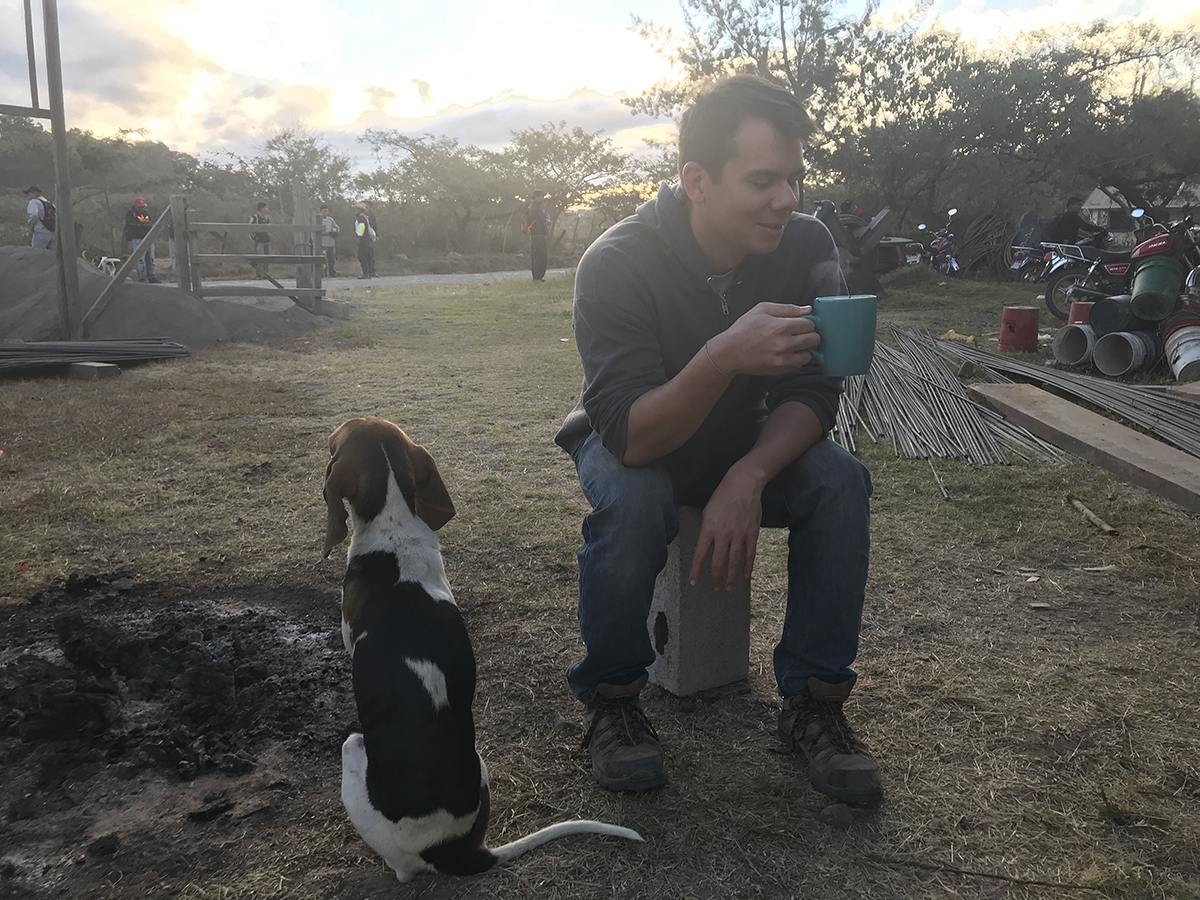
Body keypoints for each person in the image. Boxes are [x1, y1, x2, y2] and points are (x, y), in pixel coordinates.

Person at [554, 75, 880, 805]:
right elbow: (633, 433)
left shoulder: (806, 246)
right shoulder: (617, 262)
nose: (786, 199)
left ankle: (815, 706)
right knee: (633, 500)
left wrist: (750, 475)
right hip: (635, 434)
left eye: (794, 178)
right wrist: (724, 353)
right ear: (696, 181)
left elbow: (814, 391)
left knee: (840, 482)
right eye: (763, 180)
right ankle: (613, 699)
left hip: (743, 434)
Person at [124, 197, 158, 283]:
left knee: (150, 258)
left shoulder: (145, 213)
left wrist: (148, 225)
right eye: (140, 207)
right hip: (137, 238)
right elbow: (131, 224)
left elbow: (151, 222)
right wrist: (141, 224)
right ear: (135, 206)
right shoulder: (131, 214)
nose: (142, 208)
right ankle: (141, 277)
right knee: (140, 259)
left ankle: (151, 276)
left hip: (148, 238)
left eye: (143, 206)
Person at [524, 193, 549, 281]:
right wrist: (548, 222)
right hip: (540, 235)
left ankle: (535, 276)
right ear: (537, 197)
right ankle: (539, 276)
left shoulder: (530, 208)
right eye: (541, 196)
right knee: (541, 256)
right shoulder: (538, 209)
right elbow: (544, 219)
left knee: (534, 256)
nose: (542, 198)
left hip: (533, 235)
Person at [25, 186, 57, 251]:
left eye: (29, 194)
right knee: (52, 257)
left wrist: (31, 228)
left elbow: (33, 215)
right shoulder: (49, 203)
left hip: (40, 232)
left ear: (35, 193)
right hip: (53, 232)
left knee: (36, 255)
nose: (28, 196)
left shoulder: (34, 202)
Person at [249, 201, 271, 279]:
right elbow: (248, 228)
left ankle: (266, 276)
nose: (267, 209)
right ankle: (258, 275)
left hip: (266, 241)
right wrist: (254, 238)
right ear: (261, 208)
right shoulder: (254, 217)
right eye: (266, 207)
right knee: (260, 259)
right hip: (259, 242)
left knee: (267, 259)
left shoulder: (266, 218)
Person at [354, 202, 374, 279]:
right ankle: (369, 273)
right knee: (368, 257)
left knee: (362, 256)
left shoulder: (361, 218)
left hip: (363, 240)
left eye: (356, 209)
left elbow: (361, 227)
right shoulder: (365, 217)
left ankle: (365, 273)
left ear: (360, 210)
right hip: (367, 239)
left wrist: (360, 236)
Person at [320, 205, 340, 277]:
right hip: (323, 242)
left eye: (326, 211)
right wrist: (327, 233)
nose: (325, 212)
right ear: (321, 211)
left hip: (331, 242)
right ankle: (324, 272)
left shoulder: (330, 220)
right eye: (324, 211)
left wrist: (335, 231)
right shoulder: (319, 220)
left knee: (331, 258)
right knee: (323, 258)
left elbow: (337, 227)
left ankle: (332, 272)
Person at [363, 200, 378, 277]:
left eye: (367, 205)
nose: (366, 206)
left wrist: (376, 235)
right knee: (363, 255)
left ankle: (372, 271)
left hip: (371, 236)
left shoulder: (372, 215)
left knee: (370, 254)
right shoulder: (360, 215)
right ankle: (366, 272)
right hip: (363, 236)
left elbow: (374, 226)